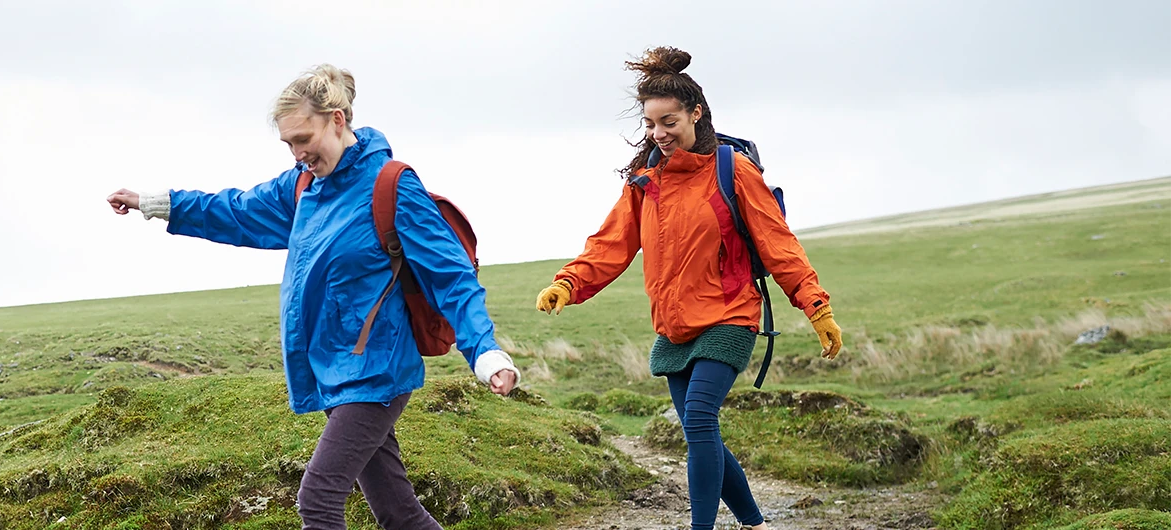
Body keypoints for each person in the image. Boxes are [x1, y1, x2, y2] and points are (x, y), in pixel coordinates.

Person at [105, 64, 519, 530]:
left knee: (318, 499)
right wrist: (159, 204)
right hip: (334, 371)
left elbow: (451, 277)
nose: (298, 153)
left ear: (338, 121)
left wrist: (485, 353)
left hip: (376, 372)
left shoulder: (392, 187)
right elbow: (237, 210)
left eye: (304, 139)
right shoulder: (303, 187)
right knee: (399, 513)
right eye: (289, 144)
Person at [533, 47, 844, 530]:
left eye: (669, 121)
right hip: (674, 326)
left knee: (699, 418)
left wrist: (816, 308)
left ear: (696, 114)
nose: (659, 134)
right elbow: (611, 245)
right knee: (703, 435)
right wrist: (568, 283)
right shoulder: (645, 184)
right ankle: (755, 524)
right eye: (652, 124)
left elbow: (779, 243)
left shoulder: (732, 170)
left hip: (729, 314)